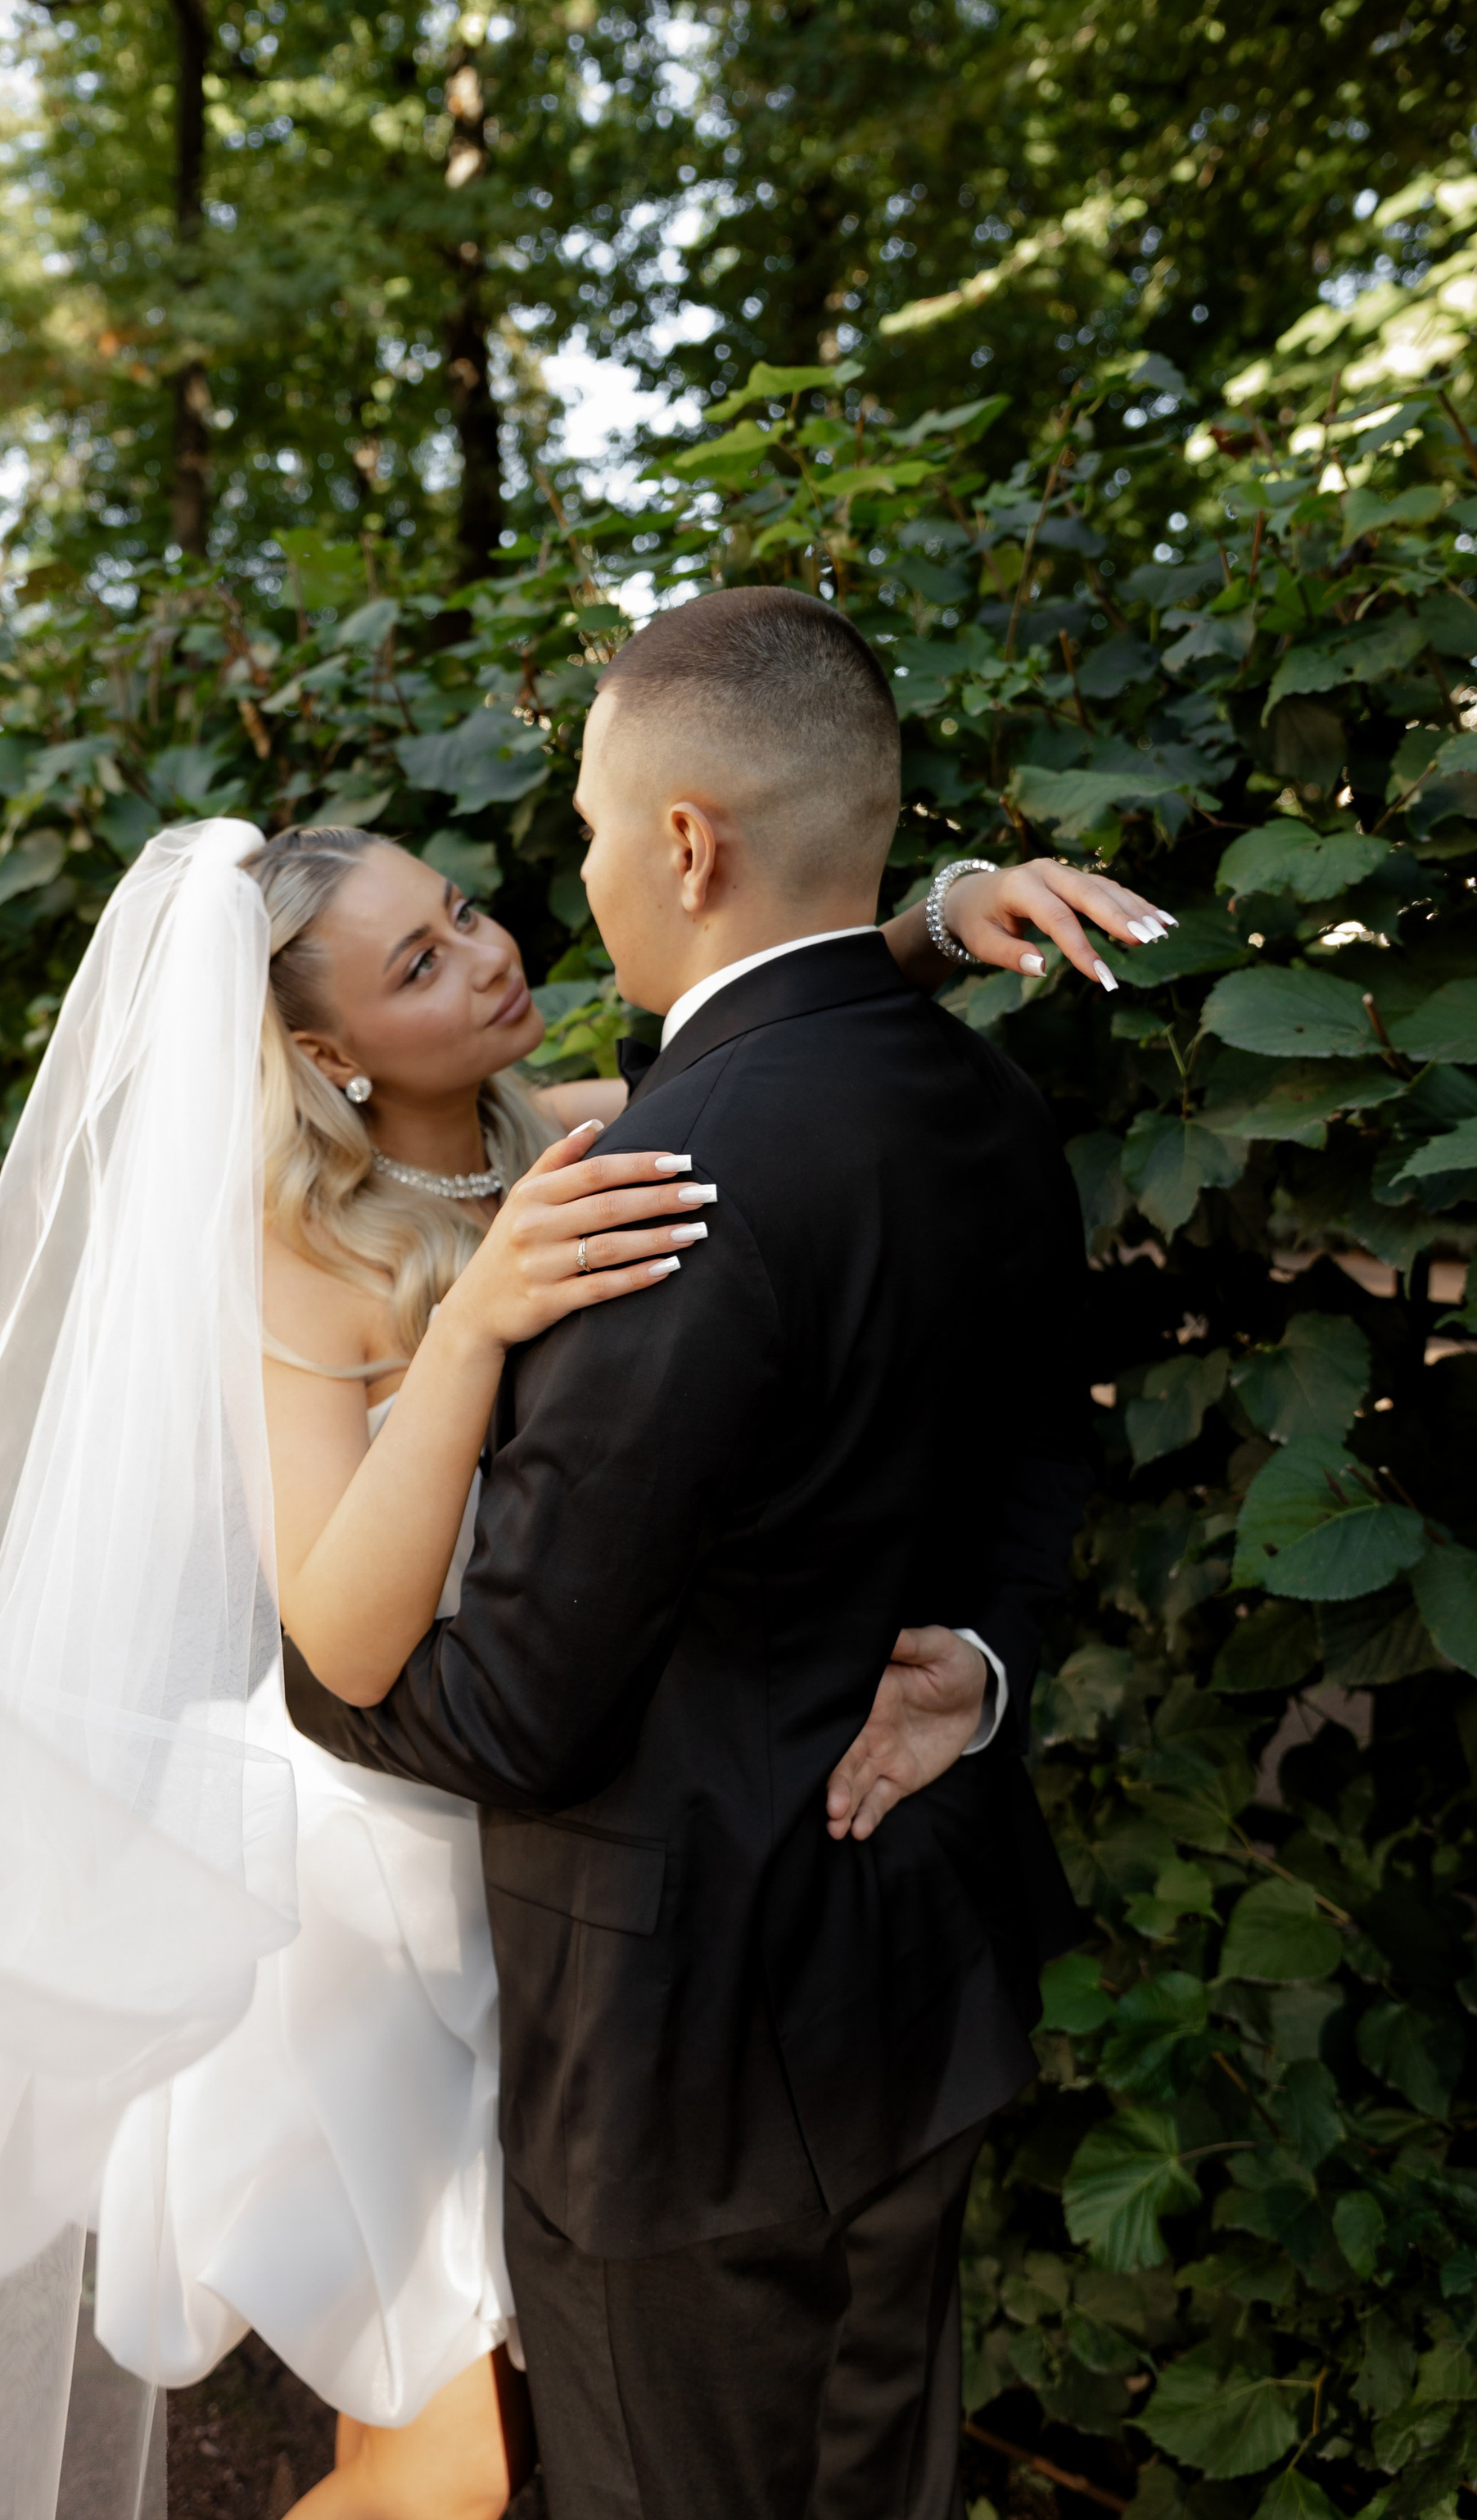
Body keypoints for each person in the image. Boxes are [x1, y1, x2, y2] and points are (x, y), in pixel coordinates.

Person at [97, 740, 1158, 2518]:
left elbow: (770, 1046)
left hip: (590, 1850)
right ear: (326, 1055)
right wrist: (468, 1324)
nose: (487, 953)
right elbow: (339, 1642)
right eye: (417, 963)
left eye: (461, 911)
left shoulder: (572, 1125)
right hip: (395, 1886)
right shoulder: (301, 1254)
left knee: (538, 2427)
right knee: (444, 2458)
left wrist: (931, 918)